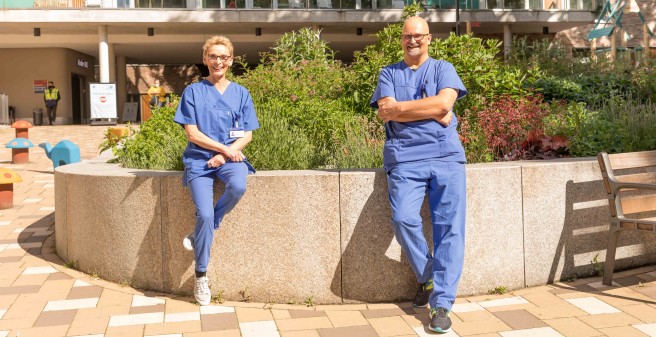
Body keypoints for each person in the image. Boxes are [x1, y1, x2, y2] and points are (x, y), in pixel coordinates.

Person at [370, 16, 467, 333]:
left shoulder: (443, 69)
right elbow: (387, 110)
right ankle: (427, 275)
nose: (413, 40)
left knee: (448, 229)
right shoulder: (389, 73)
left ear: (429, 38)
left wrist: (404, 108)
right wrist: (433, 109)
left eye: (419, 36)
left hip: (445, 157)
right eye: (407, 36)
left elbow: (445, 103)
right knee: (403, 219)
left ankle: (441, 304)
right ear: (401, 39)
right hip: (405, 159)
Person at [173, 35, 259, 306]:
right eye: (213, 56)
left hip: (229, 160)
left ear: (231, 60)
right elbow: (192, 134)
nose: (218, 61)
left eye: (224, 57)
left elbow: (248, 135)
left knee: (238, 187)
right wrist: (224, 149)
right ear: (205, 60)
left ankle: (203, 230)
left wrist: (225, 154)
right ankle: (201, 277)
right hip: (199, 161)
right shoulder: (193, 92)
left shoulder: (241, 93)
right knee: (204, 213)